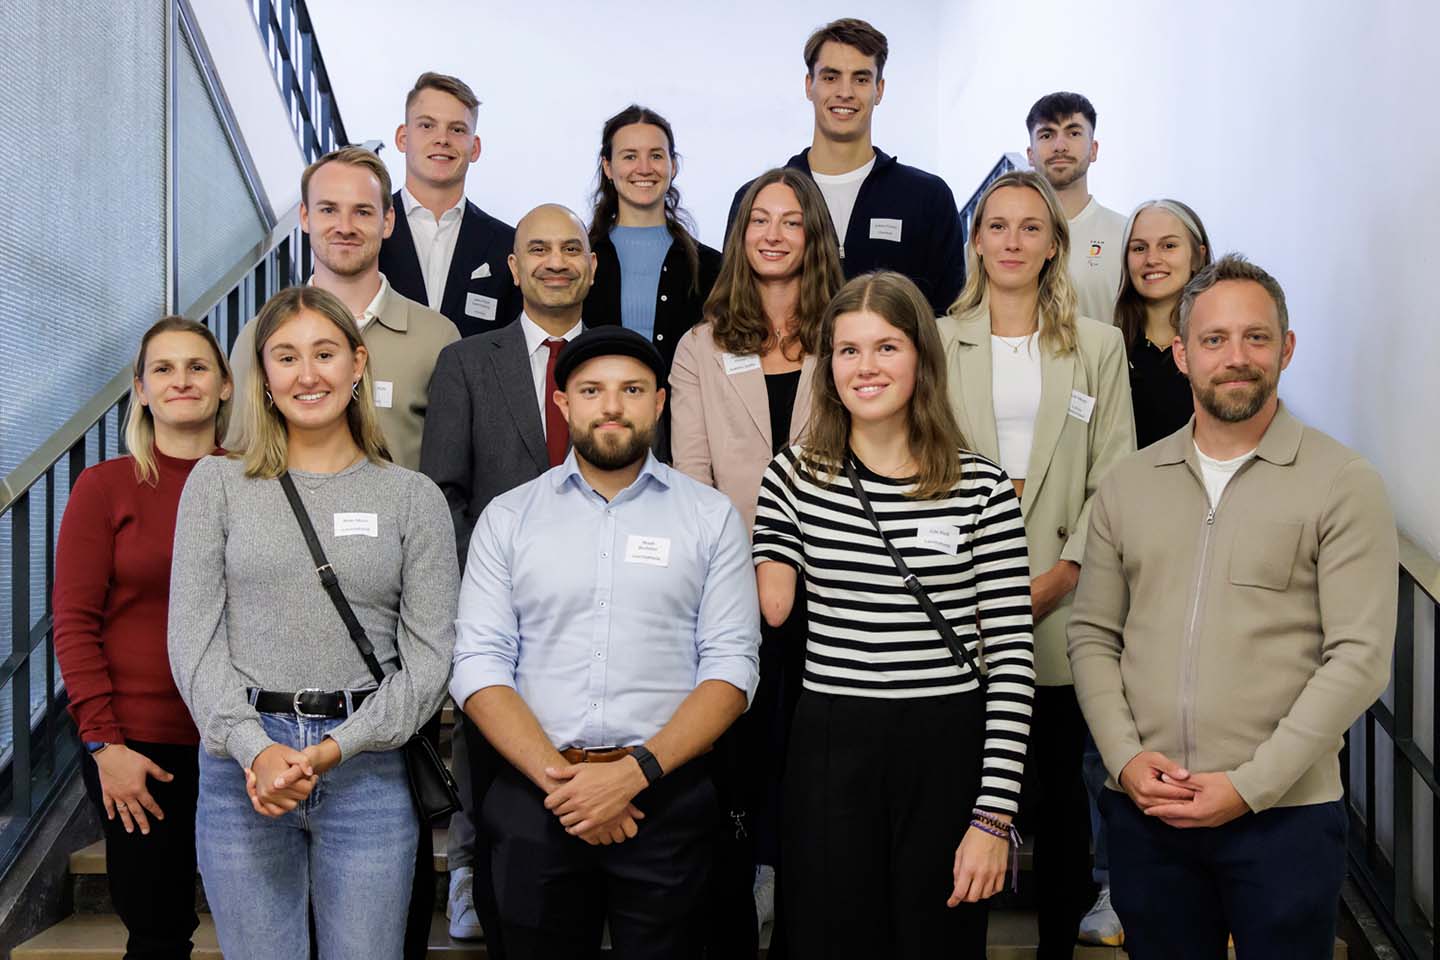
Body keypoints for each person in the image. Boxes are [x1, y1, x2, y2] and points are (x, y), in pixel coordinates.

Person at [1068, 254, 1397, 959]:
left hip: (1286, 820)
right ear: (1182, 354)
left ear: (1287, 347)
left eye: (1256, 337)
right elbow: (1092, 634)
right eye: (1214, 340)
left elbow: (1361, 658)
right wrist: (1124, 760)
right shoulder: (1129, 485)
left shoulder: (1342, 483)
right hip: (1147, 814)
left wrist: (1250, 787)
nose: (1236, 357)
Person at [450, 326, 761, 960]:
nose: (612, 406)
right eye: (591, 390)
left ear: (660, 402)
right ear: (563, 404)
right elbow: (479, 666)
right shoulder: (508, 519)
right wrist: (570, 783)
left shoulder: (710, 517)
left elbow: (732, 669)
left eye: (632, 390)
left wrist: (632, 775)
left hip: (665, 799)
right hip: (536, 796)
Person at [168, 286, 458, 960]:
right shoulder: (216, 487)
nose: (308, 374)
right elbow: (193, 641)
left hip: (370, 769)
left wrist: (335, 747)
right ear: (263, 379)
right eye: (287, 357)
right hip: (244, 771)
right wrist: (254, 749)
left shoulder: (412, 499)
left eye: (324, 353)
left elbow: (430, 661)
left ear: (358, 364)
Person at [753, 270, 1035, 957]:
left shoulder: (983, 489)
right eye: (847, 351)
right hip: (831, 743)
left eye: (886, 347)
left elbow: (1013, 661)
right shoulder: (791, 476)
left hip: (946, 745)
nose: (865, 367)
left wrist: (993, 818)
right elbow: (773, 605)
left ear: (921, 359)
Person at [937, 169, 1135, 958]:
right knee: (958, 807)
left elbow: (1115, 473)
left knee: (1054, 808)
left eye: (1030, 227)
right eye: (997, 226)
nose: (1012, 241)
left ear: (1055, 243)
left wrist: (1065, 575)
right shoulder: (935, 337)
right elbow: (919, 463)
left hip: (1062, 597)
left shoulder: (1098, 345)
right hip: (954, 603)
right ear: (976, 240)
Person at [669, 165, 843, 948]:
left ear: (814, 235)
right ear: (740, 237)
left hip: (842, 588)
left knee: (819, 767)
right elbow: (693, 484)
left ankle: (806, 900)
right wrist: (751, 579)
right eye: (758, 220)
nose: (773, 234)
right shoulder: (701, 347)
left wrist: (810, 565)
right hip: (732, 589)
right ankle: (743, 901)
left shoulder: (849, 335)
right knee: (738, 761)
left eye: (791, 220)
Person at [418, 202, 594, 945]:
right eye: (538, 250)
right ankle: (471, 872)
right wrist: (485, 586)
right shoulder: (466, 360)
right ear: (515, 268)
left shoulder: (621, 361)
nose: (556, 261)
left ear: (591, 265)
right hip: (498, 601)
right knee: (488, 746)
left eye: (571, 248)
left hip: (603, 598)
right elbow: (443, 492)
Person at [54, 316, 232, 959]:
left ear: (227, 386)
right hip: (138, 747)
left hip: (242, 740)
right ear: (142, 391)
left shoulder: (258, 482)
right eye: (163, 369)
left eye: (196, 366)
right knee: (157, 934)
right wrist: (104, 744)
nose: (181, 380)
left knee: (269, 928)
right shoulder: (103, 488)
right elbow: (73, 623)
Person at [226, 145, 459, 472]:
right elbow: (238, 459)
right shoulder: (258, 335)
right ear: (305, 218)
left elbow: (452, 475)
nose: (345, 226)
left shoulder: (437, 338)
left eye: (362, 212)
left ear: (388, 221)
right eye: (328, 210)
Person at [727, 18, 965, 314]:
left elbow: (951, 317)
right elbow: (735, 303)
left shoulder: (928, 197)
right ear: (808, 85)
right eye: (830, 77)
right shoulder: (758, 199)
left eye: (861, 79)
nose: (845, 92)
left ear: (879, 90)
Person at [380, 71, 521, 336]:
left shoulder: (507, 245)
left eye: (457, 129)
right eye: (427, 125)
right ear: (403, 137)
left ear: (475, 147)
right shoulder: (366, 233)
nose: (442, 139)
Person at [585, 105, 721, 372]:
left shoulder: (711, 266)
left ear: (674, 166)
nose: (644, 168)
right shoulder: (582, 260)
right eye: (630, 156)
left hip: (684, 412)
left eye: (656, 156)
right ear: (608, 167)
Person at [1115, 199, 1214, 448]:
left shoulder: (1218, 351)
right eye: (1139, 248)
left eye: (1168, 246)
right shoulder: (1109, 350)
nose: (1152, 259)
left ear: (1197, 256)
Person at [1026, 92, 1127, 329]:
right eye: (1047, 134)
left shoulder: (1127, 235)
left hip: (1105, 366)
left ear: (1093, 150)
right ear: (1030, 154)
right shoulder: (1000, 239)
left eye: (1073, 133)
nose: (1060, 146)